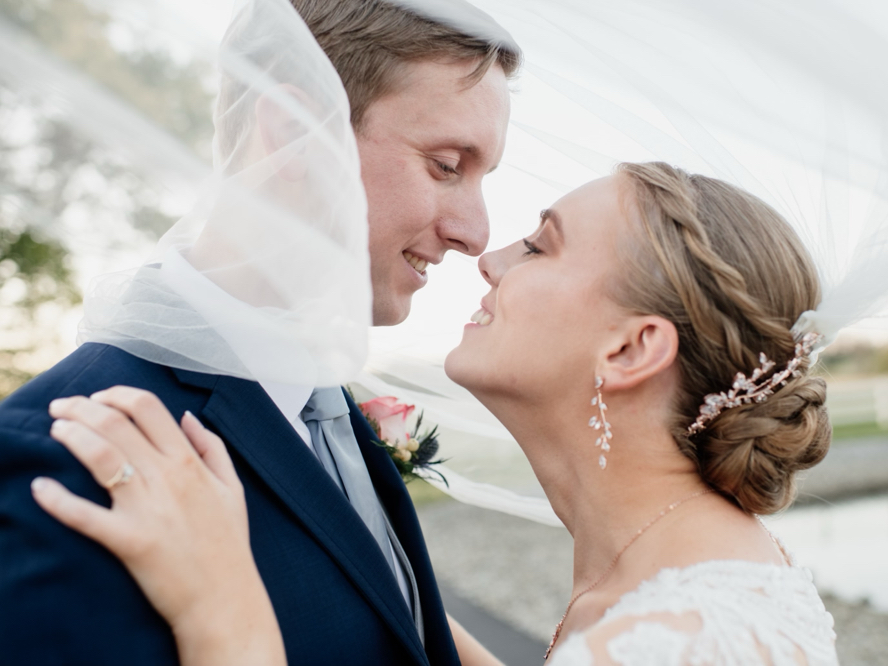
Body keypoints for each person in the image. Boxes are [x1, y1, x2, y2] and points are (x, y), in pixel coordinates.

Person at [36, 162, 840, 665]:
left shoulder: (688, 639)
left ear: (631, 350)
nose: (488, 257)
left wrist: (225, 616)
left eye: (540, 246)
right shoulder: (683, 571)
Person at [0, 0, 519, 664]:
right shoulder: (66, 454)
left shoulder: (327, 409)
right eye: (447, 165)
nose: (474, 232)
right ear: (292, 128)